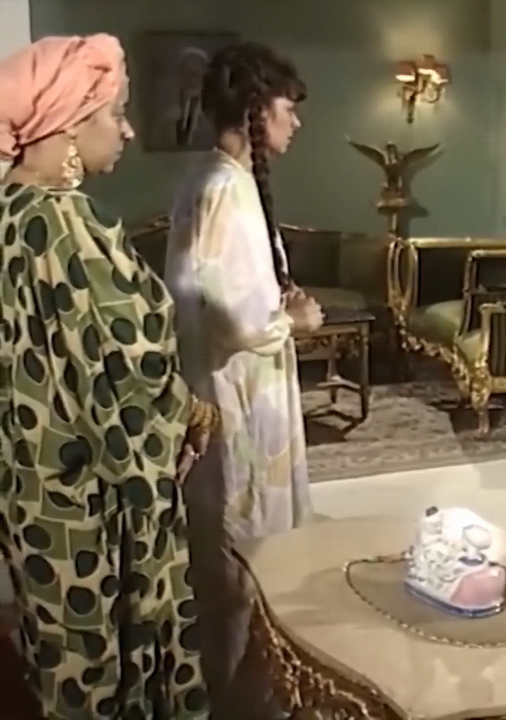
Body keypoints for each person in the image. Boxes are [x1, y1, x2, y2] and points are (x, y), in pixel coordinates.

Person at [0, 34, 218, 718]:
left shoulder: (10, 213)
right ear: (69, 125)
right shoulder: (66, 224)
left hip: (32, 486)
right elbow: (128, 365)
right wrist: (190, 409)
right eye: (115, 113)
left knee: (60, 653)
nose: (126, 130)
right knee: (102, 663)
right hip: (86, 497)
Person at [163, 42, 322, 720]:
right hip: (239, 403)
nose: (296, 122)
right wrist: (295, 320)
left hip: (222, 390)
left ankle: (239, 696)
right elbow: (236, 319)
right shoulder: (227, 189)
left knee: (228, 564)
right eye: (289, 108)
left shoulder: (208, 178)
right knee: (245, 560)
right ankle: (246, 705)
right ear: (257, 110)